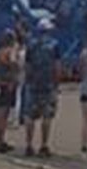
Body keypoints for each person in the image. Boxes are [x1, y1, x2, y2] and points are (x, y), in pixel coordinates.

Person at [23, 19, 62, 158]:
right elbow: (57, 67)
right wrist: (57, 84)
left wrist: (28, 81)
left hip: (33, 84)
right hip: (48, 84)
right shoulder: (54, 45)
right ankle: (44, 145)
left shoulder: (31, 45)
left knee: (30, 116)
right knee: (47, 116)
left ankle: (29, 145)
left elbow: (27, 66)